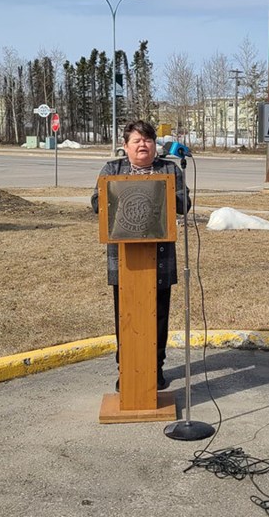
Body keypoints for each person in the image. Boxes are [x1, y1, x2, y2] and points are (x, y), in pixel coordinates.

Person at [91, 120, 190, 392]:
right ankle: (127, 369)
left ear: (154, 145)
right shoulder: (113, 169)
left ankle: (155, 367)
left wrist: (162, 192)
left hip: (159, 257)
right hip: (124, 260)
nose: (143, 145)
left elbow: (184, 204)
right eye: (136, 141)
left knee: (158, 315)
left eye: (147, 140)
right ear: (125, 146)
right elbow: (96, 203)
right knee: (125, 315)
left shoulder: (169, 169)